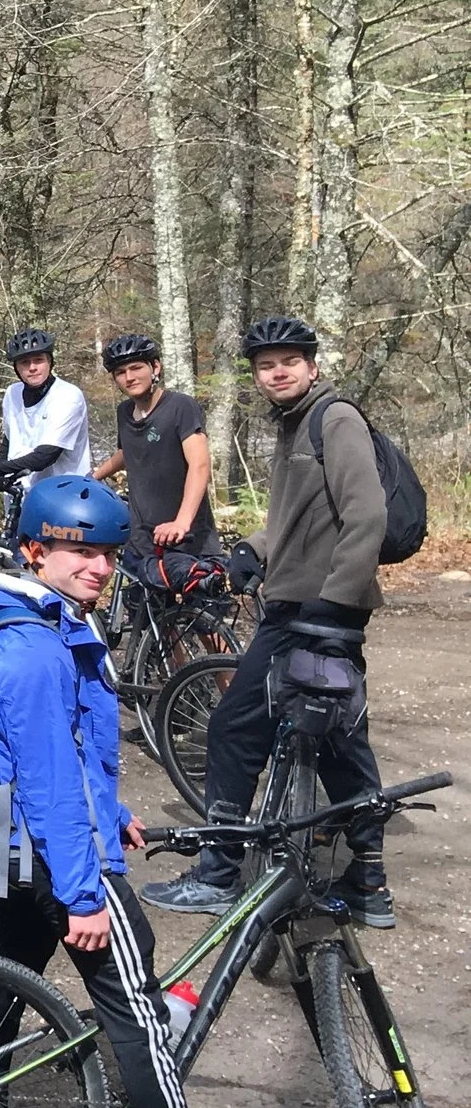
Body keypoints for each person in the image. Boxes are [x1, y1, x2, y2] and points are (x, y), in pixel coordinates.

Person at [0, 474, 286, 1108]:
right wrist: (82, 895)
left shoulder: (32, 617)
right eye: (78, 552)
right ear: (35, 550)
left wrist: (115, 811)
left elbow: (63, 754)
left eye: (107, 554)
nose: (99, 569)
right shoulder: (35, 649)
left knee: (0, 987)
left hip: (7, 844)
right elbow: (46, 777)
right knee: (136, 1006)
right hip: (48, 851)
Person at [142, 316, 393, 926]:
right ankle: (369, 878)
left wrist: (335, 602)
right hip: (304, 604)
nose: (277, 371)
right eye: (265, 365)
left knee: (234, 726)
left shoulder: (334, 419)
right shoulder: (295, 425)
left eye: (289, 361)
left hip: (316, 610)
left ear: (312, 366)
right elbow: (298, 516)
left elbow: (367, 515)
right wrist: (252, 550)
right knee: (335, 731)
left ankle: (220, 872)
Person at [90, 333, 219, 564]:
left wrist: (182, 521)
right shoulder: (124, 412)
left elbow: (199, 465)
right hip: (141, 540)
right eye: (120, 372)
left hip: (186, 537)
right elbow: (128, 451)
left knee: (194, 599)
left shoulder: (181, 406)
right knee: (138, 599)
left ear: (155, 367)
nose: (129, 377)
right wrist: (92, 478)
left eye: (136, 368)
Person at [0, 328, 92, 507]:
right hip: (23, 498)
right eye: (25, 362)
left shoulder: (68, 396)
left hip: (63, 499)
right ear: (16, 368)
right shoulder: (12, 393)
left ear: (50, 362)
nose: (32, 367)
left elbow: (44, 457)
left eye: (39, 360)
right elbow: (10, 442)